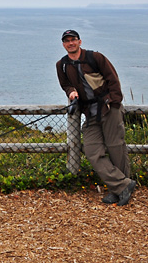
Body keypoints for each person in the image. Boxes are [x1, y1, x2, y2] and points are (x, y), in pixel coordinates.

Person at [56, 29, 136, 205]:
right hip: (89, 113)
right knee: (92, 151)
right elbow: (65, 84)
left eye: (73, 40)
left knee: (116, 148)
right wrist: (71, 92)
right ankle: (123, 185)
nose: (70, 43)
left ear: (80, 42)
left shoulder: (95, 58)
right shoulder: (61, 65)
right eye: (67, 41)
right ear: (63, 44)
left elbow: (113, 79)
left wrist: (115, 104)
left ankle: (119, 191)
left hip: (108, 108)